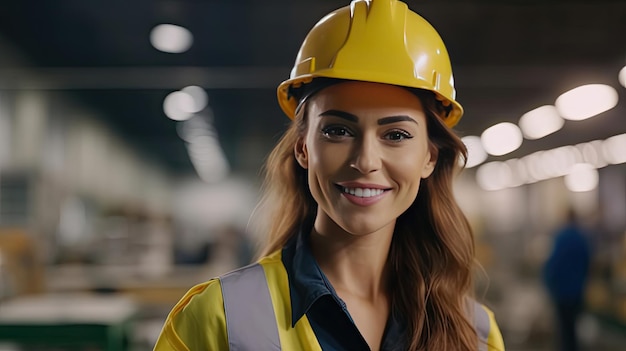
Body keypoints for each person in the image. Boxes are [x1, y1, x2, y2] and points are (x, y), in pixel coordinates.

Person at [153, 1, 505, 350]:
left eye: (396, 135)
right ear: (303, 148)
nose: (366, 161)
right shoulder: (218, 318)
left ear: (429, 158)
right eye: (338, 131)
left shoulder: (476, 334)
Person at [542, 208, 591, 351]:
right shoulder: (582, 239)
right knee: (574, 327)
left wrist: (549, 286)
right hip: (577, 292)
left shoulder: (560, 238)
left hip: (561, 293)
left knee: (564, 330)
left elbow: (552, 265)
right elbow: (588, 264)